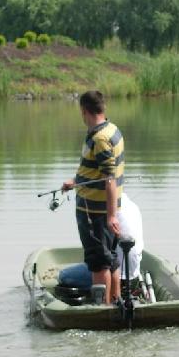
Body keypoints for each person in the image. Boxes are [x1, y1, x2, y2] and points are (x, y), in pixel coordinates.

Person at [62, 91, 124, 304]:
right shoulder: (111, 129)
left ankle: (103, 310)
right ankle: (115, 303)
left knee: (99, 264)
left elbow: (109, 179)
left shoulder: (100, 139)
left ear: (84, 110)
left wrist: (110, 216)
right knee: (111, 260)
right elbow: (100, 171)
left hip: (95, 212)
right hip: (104, 210)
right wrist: (76, 180)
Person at [59, 193, 144, 291]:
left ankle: (103, 292)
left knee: (63, 275)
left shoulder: (102, 207)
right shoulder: (133, 206)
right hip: (133, 271)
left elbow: (100, 251)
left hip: (115, 269)